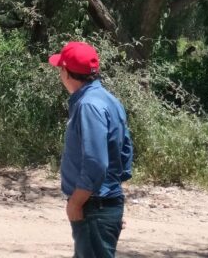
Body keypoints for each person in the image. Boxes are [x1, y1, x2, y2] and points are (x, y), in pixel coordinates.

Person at [49, 41, 133, 258]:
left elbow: (96, 162)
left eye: (60, 69)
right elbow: (125, 152)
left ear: (66, 72)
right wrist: (112, 201)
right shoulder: (108, 100)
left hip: (93, 205)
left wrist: (77, 203)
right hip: (102, 205)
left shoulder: (88, 105)